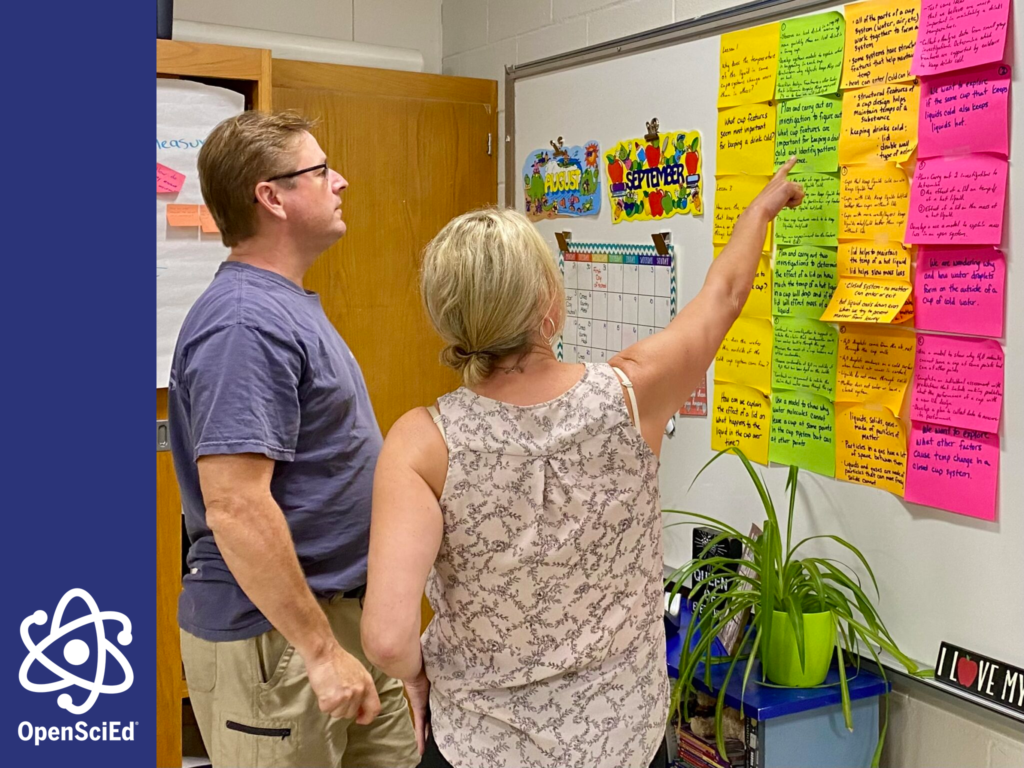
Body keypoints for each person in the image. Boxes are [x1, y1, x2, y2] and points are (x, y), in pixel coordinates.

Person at [360, 159, 804, 768]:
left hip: (480, 747)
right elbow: (723, 297)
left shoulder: (422, 443)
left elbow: (386, 638)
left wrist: (415, 677)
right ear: (549, 302)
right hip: (621, 740)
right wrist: (758, 212)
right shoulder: (631, 394)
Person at [168, 111, 419, 768]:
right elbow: (236, 506)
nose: (342, 181)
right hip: (281, 638)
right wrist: (319, 651)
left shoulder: (284, 305)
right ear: (271, 196)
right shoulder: (244, 324)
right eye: (320, 170)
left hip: (340, 617)